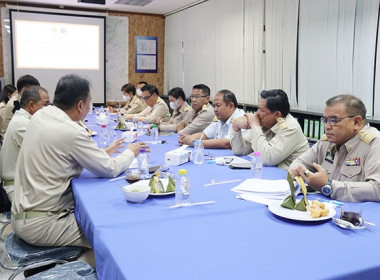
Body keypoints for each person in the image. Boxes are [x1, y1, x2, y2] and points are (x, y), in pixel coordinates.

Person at [11, 74, 148, 248]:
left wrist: (102, 152)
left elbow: (64, 153)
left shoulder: (42, 115)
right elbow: (109, 168)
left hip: (23, 214)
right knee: (111, 232)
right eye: (89, 102)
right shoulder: (71, 131)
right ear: (80, 105)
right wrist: (130, 152)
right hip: (42, 224)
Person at [289, 94, 380, 202]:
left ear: (356, 122)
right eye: (325, 120)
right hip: (327, 206)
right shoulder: (328, 141)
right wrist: (299, 172)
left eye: (333, 120)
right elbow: (299, 162)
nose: (327, 126)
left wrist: (328, 186)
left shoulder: (374, 143)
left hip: (358, 213)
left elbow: (377, 189)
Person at [231, 89, 309, 170]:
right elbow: (240, 151)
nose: (257, 113)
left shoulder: (290, 127)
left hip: (288, 177)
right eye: (258, 108)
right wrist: (236, 127)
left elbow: (268, 159)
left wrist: (254, 125)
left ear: (277, 114)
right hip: (270, 173)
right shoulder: (266, 122)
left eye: (261, 110)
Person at [0, 86, 50, 201]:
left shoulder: (24, 119)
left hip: (23, 182)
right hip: (17, 187)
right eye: (46, 105)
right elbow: (47, 156)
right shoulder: (22, 124)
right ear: (31, 105)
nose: (49, 109)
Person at [179, 90, 244, 149]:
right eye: (214, 106)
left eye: (218, 106)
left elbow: (227, 143)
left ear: (231, 106)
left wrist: (194, 142)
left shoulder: (240, 118)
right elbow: (205, 134)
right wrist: (188, 138)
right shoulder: (220, 117)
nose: (215, 110)